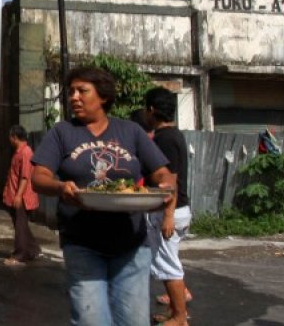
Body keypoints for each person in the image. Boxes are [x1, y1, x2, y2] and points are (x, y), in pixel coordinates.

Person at [31, 67, 176, 326]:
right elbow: (39, 177)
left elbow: (163, 173)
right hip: (82, 243)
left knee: (133, 321)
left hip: (131, 245)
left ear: (103, 97)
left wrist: (165, 186)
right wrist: (60, 187)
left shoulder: (130, 131)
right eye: (71, 91)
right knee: (91, 320)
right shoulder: (62, 132)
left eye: (82, 91)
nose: (74, 97)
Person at [145, 87, 192, 326]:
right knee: (167, 263)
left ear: (151, 110)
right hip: (176, 209)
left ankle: (179, 318)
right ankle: (176, 311)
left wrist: (168, 215)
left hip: (171, 210)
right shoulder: (174, 136)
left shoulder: (165, 139)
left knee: (169, 266)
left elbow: (169, 181)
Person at [2, 125, 40, 265]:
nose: (9, 139)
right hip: (14, 194)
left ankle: (20, 255)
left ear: (14, 137)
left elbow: (25, 177)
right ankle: (33, 250)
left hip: (22, 197)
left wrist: (18, 196)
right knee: (21, 225)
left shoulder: (26, 152)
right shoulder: (18, 152)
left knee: (20, 226)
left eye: (10, 137)